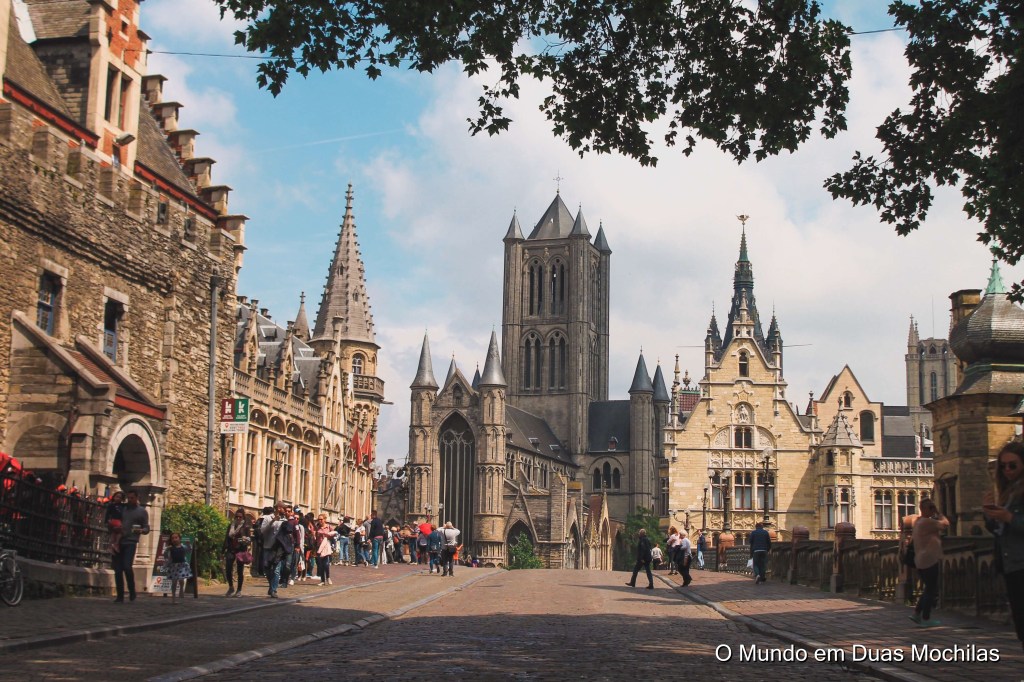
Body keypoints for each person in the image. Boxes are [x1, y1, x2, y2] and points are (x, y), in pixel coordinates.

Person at [983, 441, 1024, 651]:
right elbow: (1000, 530)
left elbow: (1013, 523)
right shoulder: (1009, 491)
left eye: (1012, 465)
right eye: (1003, 466)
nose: (1007, 470)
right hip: (1010, 565)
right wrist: (990, 515)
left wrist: (1008, 517)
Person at [910, 498, 949, 627]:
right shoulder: (927, 522)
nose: (932, 509)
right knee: (931, 589)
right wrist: (939, 513)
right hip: (929, 560)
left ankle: (917, 613)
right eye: (931, 507)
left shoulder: (918, 522)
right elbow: (946, 524)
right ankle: (925, 618)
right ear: (925, 509)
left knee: (928, 588)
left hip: (921, 560)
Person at [113, 490, 150, 602]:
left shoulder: (142, 511)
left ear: (137, 497)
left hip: (131, 541)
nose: (130, 500)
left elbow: (146, 528)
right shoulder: (123, 509)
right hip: (119, 541)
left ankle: (132, 590)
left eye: (132, 498)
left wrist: (141, 530)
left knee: (127, 566)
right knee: (118, 570)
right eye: (128, 498)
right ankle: (120, 596)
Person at [223, 508, 251, 596]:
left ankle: (239, 590)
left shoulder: (245, 527)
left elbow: (249, 540)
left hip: (241, 550)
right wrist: (222, 550)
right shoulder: (231, 525)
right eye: (237, 517)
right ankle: (231, 587)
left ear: (243, 518)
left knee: (239, 570)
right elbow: (226, 539)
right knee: (228, 568)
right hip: (231, 549)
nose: (238, 518)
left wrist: (245, 539)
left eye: (240, 517)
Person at [163, 532, 191, 605]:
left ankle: (181, 589)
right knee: (174, 582)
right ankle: (173, 598)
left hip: (182, 565)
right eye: (173, 538)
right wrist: (166, 550)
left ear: (179, 538)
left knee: (181, 580)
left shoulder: (183, 546)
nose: (174, 539)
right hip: (174, 566)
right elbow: (165, 556)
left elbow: (188, 551)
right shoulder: (171, 548)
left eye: (176, 538)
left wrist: (188, 544)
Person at [315, 515, 336, 586]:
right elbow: (315, 537)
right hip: (319, 547)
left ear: (324, 519)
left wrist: (327, 535)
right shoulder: (317, 528)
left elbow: (334, 534)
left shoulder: (329, 527)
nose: (320, 521)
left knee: (326, 564)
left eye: (321, 519)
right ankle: (322, 580)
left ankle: (328, 577)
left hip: (326, 547)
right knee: (320, 565)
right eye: (319, 519)